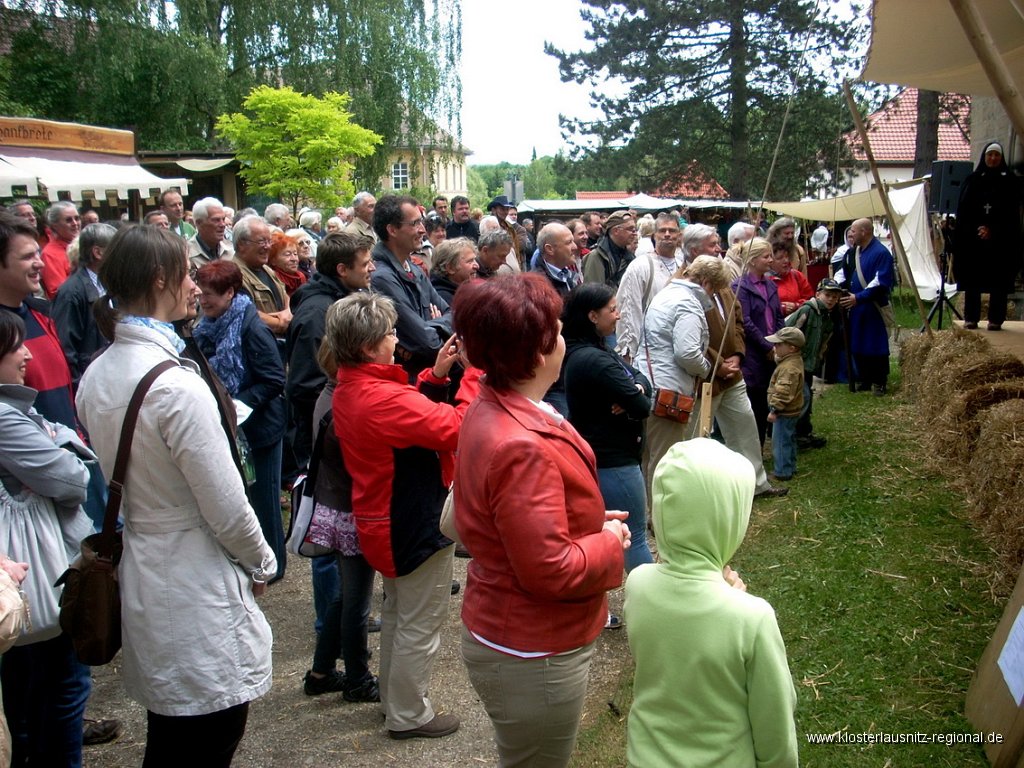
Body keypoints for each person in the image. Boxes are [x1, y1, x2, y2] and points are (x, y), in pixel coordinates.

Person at [77, 225, 276, 764]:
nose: (194, 285)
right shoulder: (173, 385)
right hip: (192, 574)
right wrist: (261, 561)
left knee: (173, 730)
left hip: (148, 563)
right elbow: (226, 504)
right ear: (161, 278)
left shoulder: (97, 373)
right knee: (205, 733)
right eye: (187, 273)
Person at [453, 274, 630, 767]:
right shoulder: (518, 442)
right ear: (535, 350)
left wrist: (588, 519)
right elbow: (550, 567)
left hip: (520, 634)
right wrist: (610, 540)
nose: (564, 336)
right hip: (533, 648)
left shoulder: (499, 404)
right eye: (556, 327)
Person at [326, 292, 479, 740]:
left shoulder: (355, 385)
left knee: (399, 614)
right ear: (371, 346)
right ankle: (410, 714)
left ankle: (396, 701)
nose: (397, 338)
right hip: (410, 520)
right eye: (391, 333)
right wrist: (472, 378)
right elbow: (457, 428)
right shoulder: (378, 397)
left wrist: (436, 376)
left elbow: (412, 421)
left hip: (384, 519)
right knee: (420, 622)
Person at [624, 438, 798, 768]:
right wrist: (733, 599)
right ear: (728, 519)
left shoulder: (638, 584)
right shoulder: (752, 617)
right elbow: (776, 730)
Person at [0, 310, 95, 768]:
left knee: (31, 696)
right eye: (15, 347)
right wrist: (59, 441)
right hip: (32, 570)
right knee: (58, 691)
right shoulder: (6, 419)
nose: (26, 354)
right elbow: (72, 478)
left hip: (26, 572)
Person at [193, 260, 288, 581]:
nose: (202, 300)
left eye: (209, 295)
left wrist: (236, 404)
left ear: (231, 293)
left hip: (260, 429)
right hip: (235, 429)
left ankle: (274, 566)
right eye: (200, 294)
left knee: (264, 500)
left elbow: (274, 379)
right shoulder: (208, 325)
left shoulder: (251, 327)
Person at [302, 340, 379, 704]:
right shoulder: (339, 404)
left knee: (346, 595)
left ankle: (321, 671)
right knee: (357, 602)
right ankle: (358, 678)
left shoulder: (328, 397)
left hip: (338, 506)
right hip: (350, 510)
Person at [563, 283, 654, 572]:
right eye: (612, 309)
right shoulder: (595, 360)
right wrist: (634, 394)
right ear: (592, 316)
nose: (618, 315)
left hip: (603, 456)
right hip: (614, 462)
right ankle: (651, 606)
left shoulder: (595, 350)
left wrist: (636, 387)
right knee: (635, 536)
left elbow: (640, 379)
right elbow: (642, 406)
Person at [640, 255, 728, 492]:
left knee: (648, 457)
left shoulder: (665, 294)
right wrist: (707, 368)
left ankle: (648, 515)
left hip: (649, 385)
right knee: (665, 460)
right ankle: (659, 517)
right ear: (708, 283)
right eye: (715, 290)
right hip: (669, 390)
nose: (713, 296)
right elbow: (687, 353)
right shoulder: (688, 303)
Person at [954, 141, 1023, 331]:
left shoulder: (1010, 182)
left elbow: (1011, 214)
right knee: (973, 278)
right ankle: (971, 318)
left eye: (996, 155)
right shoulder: (973, 180)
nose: (993, 158)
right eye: (990, 155)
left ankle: (995, 319)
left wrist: (993, 229)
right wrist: (978, 228)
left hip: (1000, 242)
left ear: (1001, 158)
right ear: (984, 157)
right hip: (974, 240)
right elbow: (965, 210)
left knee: (998, 279)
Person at [52, 222, 116, 387]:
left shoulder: (108, 283)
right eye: (116, 249)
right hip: (89, 381)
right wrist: (78, 387)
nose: (121, 255)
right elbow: (66, 348)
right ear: (98, 253)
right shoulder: (71, 292)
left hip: (108, 376)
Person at [733, 238, 783, 447]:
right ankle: (753, 449)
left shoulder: (770, 284)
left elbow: (778, 315)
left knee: (768, 401)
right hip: (753, 355)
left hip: (772, 350)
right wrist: (767, 346)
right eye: (766, 256)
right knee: (754, 403)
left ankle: (763, 446)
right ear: (753, 260)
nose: (771, 260)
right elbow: (745, 321)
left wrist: (780, 340)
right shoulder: (740, 287)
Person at [836, 218, 894, 395]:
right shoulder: (853, 253)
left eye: (853, 231)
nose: (850, 234)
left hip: (872, 307)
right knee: (858, 344)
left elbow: (880, 282)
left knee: (875, 345)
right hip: (857, 307)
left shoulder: (881, 253)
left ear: (864, 232)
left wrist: (859, 298)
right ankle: (866, 378)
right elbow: (844, 274)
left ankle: (879, 381)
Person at [785, 277, 841, 448]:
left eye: (835, 297)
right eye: (828, 295)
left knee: (806, 397)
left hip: (809, 364)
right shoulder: (807, 311)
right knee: (802, 398)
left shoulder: (828, 317)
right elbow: (789, 331)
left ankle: (803, 432)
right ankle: (792, 435)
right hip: (796, 362)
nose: (831, 299)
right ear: (818, 294)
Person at [765, 327, 805, 482]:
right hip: (792, 410)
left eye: (778, 345)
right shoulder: (793, 361)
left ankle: (782, 472)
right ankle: (790, 466)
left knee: (780, 442)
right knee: (789, 439)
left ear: (791, 348)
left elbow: (784, 391)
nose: (775, 347)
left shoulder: (789, 368)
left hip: (784, 411)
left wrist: (774, 410)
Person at [770, 239, 813, 316]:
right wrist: (781, 308)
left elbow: (810, 300)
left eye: (787, 256)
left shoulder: (797, 275)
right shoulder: (763, 279)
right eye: (780, 258)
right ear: (770, 261)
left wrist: (796, 305)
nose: (786, 261)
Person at [429, 237, 478, 306]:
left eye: (475, 260)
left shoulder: (466, 291)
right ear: (450, 268)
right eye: (470, 261)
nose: (477, 266)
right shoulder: (442, 299)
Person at [268, 231, 307, 297]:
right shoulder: (272, 281)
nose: (294, 259)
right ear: (273, 260)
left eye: (295, 254)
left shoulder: (301, 277)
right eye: (287, 254)